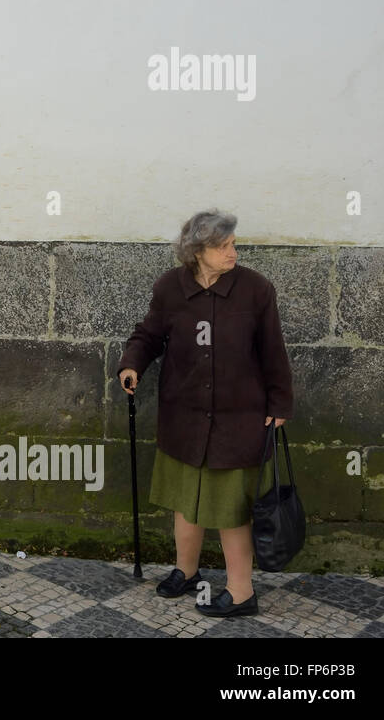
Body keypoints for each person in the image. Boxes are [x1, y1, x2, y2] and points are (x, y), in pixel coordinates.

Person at [118, 209, 292, 618]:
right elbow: (149, 334)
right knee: (185, 501)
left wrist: (280, 403)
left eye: (233, 244)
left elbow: (273, 351)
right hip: (185, 418)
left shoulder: (255, 290)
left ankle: (241, 591)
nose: (234, 252)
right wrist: (131, 364)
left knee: (233, 509)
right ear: (198, 252)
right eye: (224, 246)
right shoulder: (170, 289)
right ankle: (188, 571)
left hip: (238, 421)